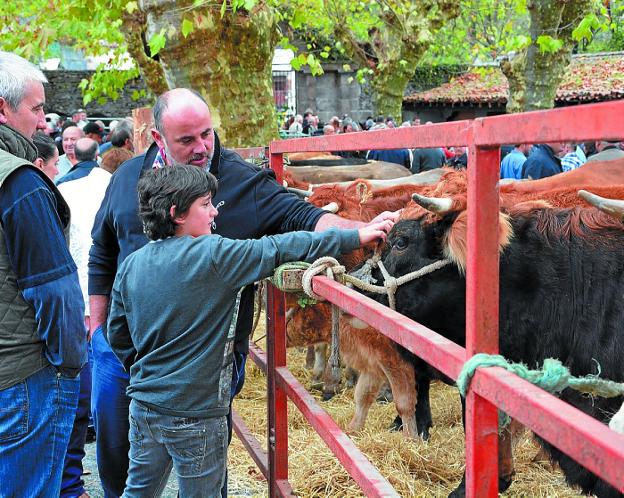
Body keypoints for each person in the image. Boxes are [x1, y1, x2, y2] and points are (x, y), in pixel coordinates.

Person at [88, 87, 397, 497]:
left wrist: (352, 233)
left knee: (147, 479)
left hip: (184, 371)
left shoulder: (242, 181)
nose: (202, 147)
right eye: (187, 140)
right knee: (124, 458)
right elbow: (101, 251)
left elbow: (298, 219)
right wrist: (100, 332)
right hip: (156, 374)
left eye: (207, 134)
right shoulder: (132, 182)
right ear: (158, 138)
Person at [0, 50, 86, 497]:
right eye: (35, 109)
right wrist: (70, 364)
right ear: (3, 108)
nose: (43, 121)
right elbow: (55, 292)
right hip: (23, 377)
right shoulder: (21, 184)